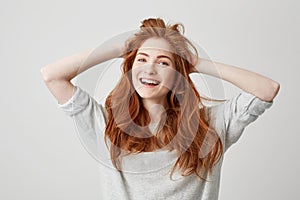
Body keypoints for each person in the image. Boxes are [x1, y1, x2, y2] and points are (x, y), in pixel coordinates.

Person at [40, 18, 280, 200]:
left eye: (163, 63)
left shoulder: (209, 125)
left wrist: (193, 63)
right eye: (141, 60)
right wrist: (118, 49)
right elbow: (52, 76)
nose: (150, 69)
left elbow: (267, 89)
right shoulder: (105, 124)